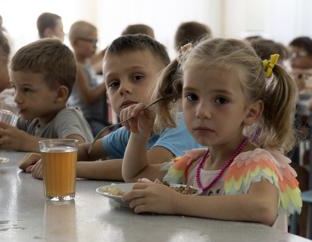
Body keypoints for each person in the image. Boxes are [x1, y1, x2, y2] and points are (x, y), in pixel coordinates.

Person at [121, 38, 302, 230]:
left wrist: (177, 203)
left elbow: (262, 208)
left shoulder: (257, 162)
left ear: (251, 112)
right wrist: (140, 132)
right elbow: (135, 174)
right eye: (192, 97)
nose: (201, 112)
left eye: (221, 100)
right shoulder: (194, 164)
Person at [20, 35, 200, 180]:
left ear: (166, 81)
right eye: (114, 83)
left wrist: (65, 166)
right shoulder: (130, 131)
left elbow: (145, 169)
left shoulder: (181, 123)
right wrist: (52, 156)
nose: (124, 88)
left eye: (137, 77)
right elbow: (87, 151)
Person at [0, 39, 93, 151]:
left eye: (26, 90)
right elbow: (8, 132)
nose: (16, 98)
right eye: (14, 87)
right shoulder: (32, 119)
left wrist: (24, 142)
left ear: (59, 95)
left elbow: (78, 149)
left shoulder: (66, 117)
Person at [68, 21, 108, 136]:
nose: (95, 45)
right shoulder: (77, 67)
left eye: (96, 41)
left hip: (96, 117)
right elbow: (89, 98)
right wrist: (107, 81)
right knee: (106, 136)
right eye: (91, 41)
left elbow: (99, 56)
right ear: (75, 43)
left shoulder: (86, 61)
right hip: (86, 119)